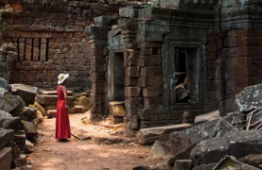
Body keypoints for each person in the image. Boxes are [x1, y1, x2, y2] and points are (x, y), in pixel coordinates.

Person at [56, 73, 71, 141]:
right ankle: (64, 135)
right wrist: (66, 104)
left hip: (59, 103)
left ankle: (60, 135)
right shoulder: (63, 87)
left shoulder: (58, 87)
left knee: (60, 120)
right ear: (64, 80)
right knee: (63, 119)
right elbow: (65, 97)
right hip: (62, 103)